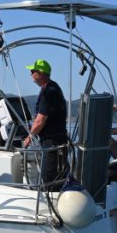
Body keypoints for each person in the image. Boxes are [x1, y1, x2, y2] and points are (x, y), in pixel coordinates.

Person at [23, 59, 69, 187]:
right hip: (56, 141)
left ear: (41, 73)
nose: (30, 74)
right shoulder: (53, 88)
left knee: (49, 178)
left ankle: (51, 198)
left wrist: (28, 138)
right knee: (57, 176)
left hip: (52, 142)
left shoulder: (48, 92)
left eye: (33, 71)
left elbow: (40, 121)